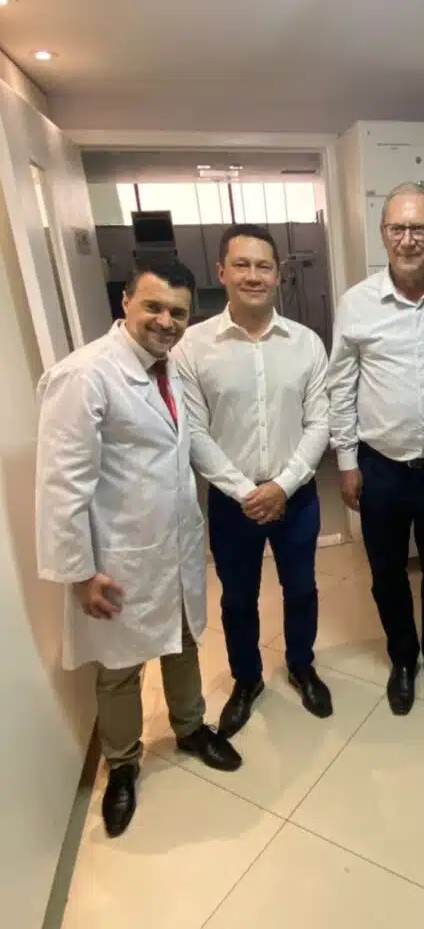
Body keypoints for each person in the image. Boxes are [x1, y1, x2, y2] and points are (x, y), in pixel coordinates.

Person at [36, 257, 242, 839]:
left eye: (178, 312)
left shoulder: (167, 368)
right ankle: (123, 764)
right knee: (120, 667)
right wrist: (80, 572)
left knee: (183, 641)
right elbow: (62, 484)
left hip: (172, 544)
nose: (166, 321)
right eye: (153, 306)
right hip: (118, 557)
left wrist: (241, 489)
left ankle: (191, 728)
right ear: (125, 302)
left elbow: (186, 445)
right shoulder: (85, 375)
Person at [173, 224, 331, 737]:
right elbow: (193, 431)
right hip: (231, 501)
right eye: (241, 264)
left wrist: (283, 485)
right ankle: (247, 680)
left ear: (278, 274)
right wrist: (246, 492)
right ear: (221, 272)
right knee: (237, 598)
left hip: (296, 496)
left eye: (264, 266)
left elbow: (320, 422)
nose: (253, 275)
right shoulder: (192, 347)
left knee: (301, 588)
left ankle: (302, 665)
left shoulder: (306, 344)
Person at [327, 183, 424, 715]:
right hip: (380, 466)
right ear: (383, 233)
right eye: (397, 228)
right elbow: (341, 385)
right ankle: (403, 660)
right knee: (387, 573)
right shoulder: (357, 303)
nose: (408, 239)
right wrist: (346, 462)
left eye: (419, 228)